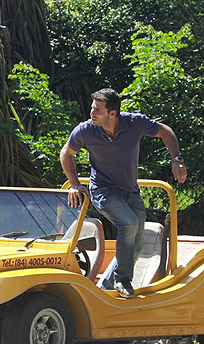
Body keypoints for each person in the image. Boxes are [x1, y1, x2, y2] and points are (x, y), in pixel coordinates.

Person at [60, 88, 187, 298]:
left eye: (98, 110)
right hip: (103, 190)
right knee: (128, 223)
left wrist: (177, 159)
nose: (92, 114)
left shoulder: (134, 123)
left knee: (136, 246)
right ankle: (122, 279)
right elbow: (66, 153)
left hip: (130, 190)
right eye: (92, 109)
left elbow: (165, 131)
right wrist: (74, 183)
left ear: (113, 113)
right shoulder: (85, 131)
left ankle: (105, 288)